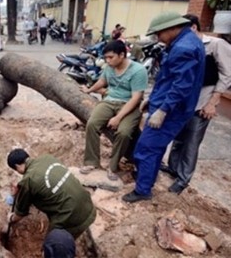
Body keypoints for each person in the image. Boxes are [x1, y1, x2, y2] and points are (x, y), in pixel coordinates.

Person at [122, 12, 205, 203]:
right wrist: (152, 100)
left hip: (172, 111)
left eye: (159, 34)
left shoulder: (184, 48)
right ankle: (147, 178)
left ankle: (143, 190)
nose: (158, 38)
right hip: (169, 104)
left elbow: (181, 85)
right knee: (156, 148)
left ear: (171, 28)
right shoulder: (186, 41)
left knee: (145, 148)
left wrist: (163, 109)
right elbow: (169, 79)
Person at [160, 14, 231, 194]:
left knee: (191, 142)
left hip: (202, 101)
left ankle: (183, 178)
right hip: (183, 102)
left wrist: (213, 102)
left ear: (192, 27)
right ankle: (173, 168)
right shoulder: (181, 46)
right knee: (178, 138)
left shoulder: (215, 45)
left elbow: (227, 74)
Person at [80, 40, 148, 180]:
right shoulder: (109, 67)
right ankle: (91, 161)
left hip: (129, 105)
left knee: (123, 133)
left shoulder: (138, 71)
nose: (108, 60)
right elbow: (102, 82)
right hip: (110, 101)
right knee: (92, 124)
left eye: (111, 57)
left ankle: (113, 165)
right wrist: (89, 90)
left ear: (122, 55)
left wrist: (118, 118)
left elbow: (136, 98)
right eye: (106, 58)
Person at [6, 149, 96, 239]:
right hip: (88, 206)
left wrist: (11, 218)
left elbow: (20, 214)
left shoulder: (28, 180)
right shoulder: (47, 158)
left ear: (17, 166)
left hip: (70, 217)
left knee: (52, 247)